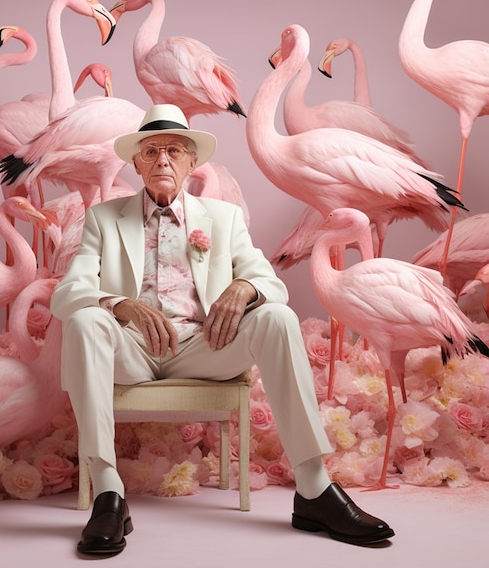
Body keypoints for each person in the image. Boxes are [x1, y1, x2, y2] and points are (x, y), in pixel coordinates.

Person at [50, 104, 394, 556]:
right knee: (84, 317)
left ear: (192, 162)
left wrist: (246, 288)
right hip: (128, 351)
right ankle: (108, 493)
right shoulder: (104, 218)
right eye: (151, 152)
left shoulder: (223, 218)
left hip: (203, 345)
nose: (163, 161)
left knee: (276, 316)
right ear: (135, 164)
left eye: (174, 151)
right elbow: (66, 292)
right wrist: (121, 305)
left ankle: (314, 489)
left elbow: (273, 284)